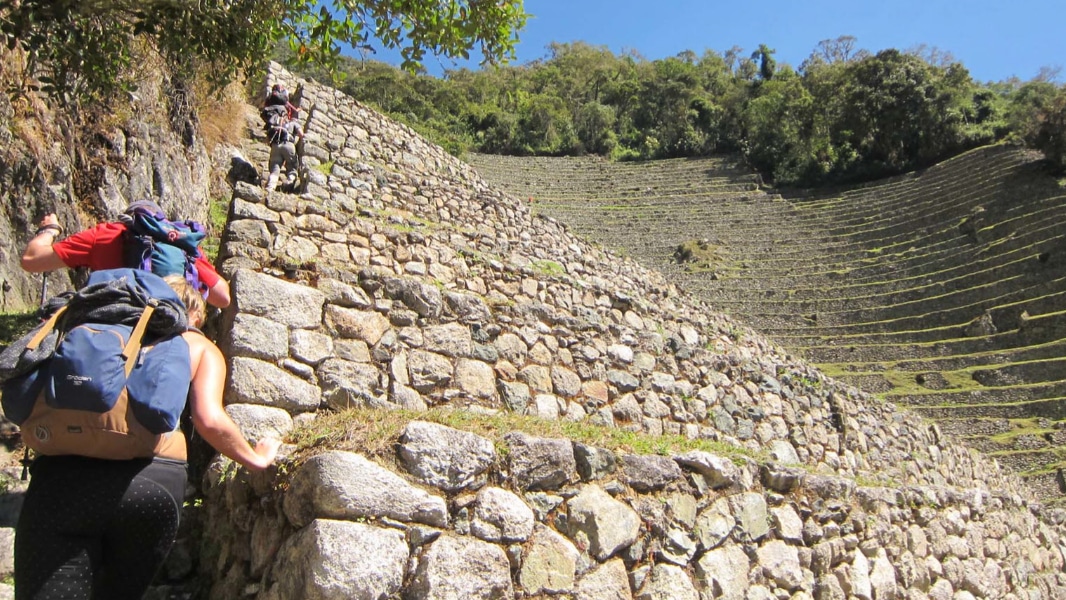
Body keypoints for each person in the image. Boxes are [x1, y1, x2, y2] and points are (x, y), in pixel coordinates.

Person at [13, 276, 280, 600]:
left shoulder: (88, 326)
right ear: (194, 313)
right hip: (152, 486)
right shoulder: (197, 345)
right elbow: (209, 420)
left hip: (63, 482)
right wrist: (255, 458)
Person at [20, 202, 231, 308]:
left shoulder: (106, 234)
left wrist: (49, 230)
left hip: (113, 314)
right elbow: (222, 298)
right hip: (167, 318)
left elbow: (31, 261)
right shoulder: (178, 242)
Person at [265, 117, 303, 193]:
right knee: (293, 167)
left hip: (275, 146)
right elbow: (301, 134)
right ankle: (289, 183)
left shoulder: (276, 127)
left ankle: (270, 187)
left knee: (275, 168)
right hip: (288, 145)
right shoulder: (294, 124)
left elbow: (267, 140)